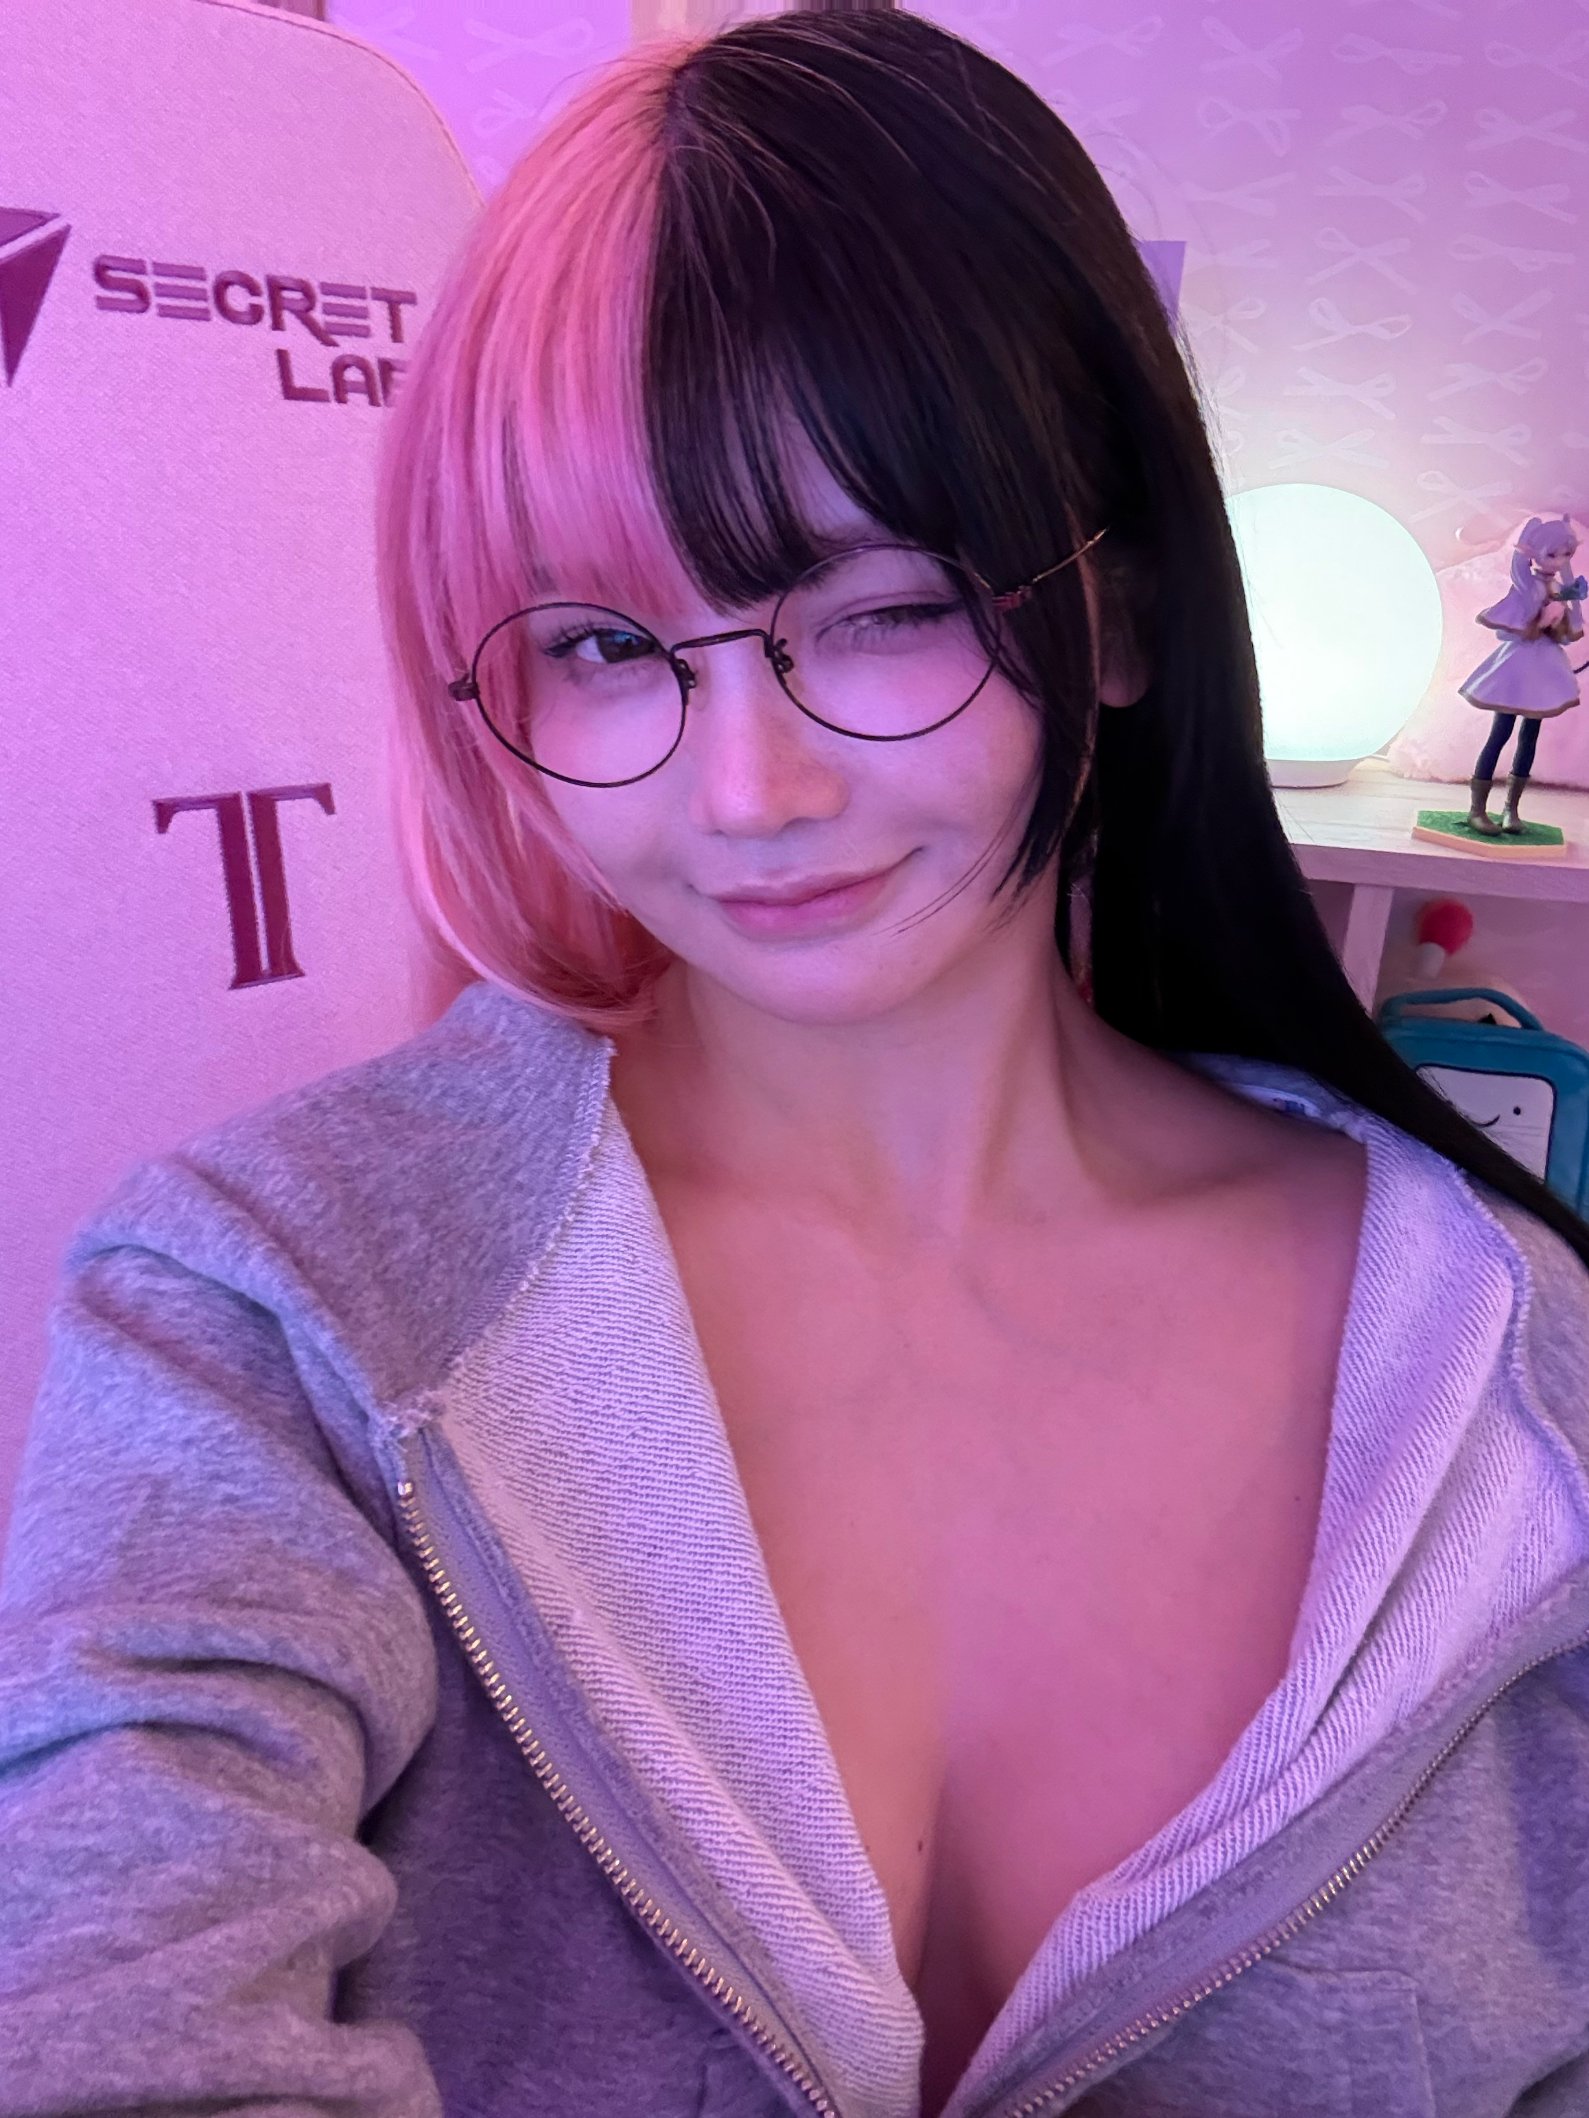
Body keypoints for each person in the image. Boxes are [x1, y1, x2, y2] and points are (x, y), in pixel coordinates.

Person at [5, 11, 1589, 2116]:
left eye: (877, 610)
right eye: (599, 644)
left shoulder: (1500, 1360)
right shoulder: (271, 1305)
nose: (750, 788)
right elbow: (116, 1995)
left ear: (1118, 614)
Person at [1462, 514, 1585, 835]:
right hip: (1516, 668)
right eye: (1552, 554)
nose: (1559, 561)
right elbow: (1517, 571)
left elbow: (1567, 634)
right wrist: (1526, 542)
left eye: (1566, 554)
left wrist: (1563, 613)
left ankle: (1511, 809)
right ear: (1536, 553)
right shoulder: (1526, 584)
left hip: (1544, 669)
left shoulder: (1559, 589)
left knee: (1529, 736)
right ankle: (1477, 810)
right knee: (1500, 734)